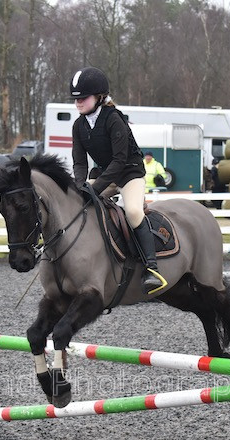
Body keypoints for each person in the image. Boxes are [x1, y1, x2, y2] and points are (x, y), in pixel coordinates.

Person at [70, 66, 164, 293]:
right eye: (76, 99)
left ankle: (151, 268)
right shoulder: (79, 126)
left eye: (83, 98)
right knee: (76, 203)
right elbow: (80, 162)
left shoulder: (114, 120)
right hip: (106, 175)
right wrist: (80, 185)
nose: (78, 103)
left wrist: (96, 187)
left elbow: (120, 160)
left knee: (132, 211)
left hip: (130, 173)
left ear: (99, 97)